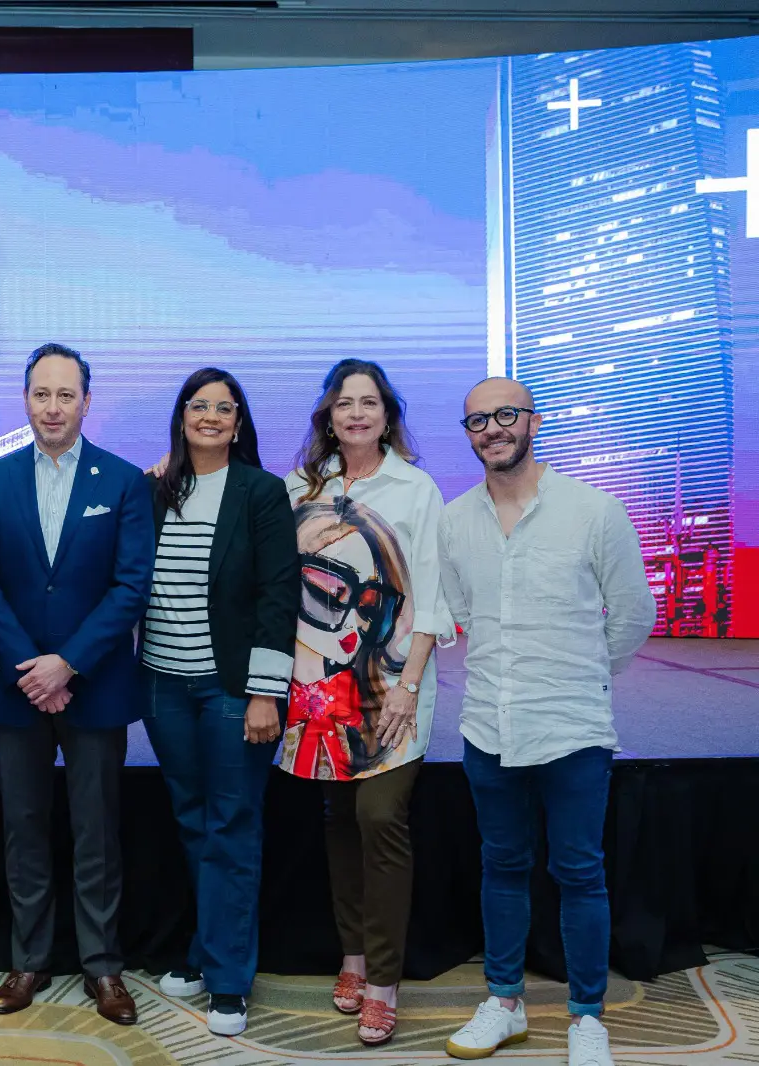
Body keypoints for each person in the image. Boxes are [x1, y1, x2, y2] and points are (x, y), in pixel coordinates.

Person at [439, 378, 654, 1066]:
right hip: (487, 728)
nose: (492, 429)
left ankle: (587, 1016)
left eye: (505, 415)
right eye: (478, 420)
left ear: (533, 421)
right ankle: (504, 1003)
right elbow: (453, 609)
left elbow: (633, 617)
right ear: (469, 432)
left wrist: (582, 676)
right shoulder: (454, 520)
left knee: (580, 873)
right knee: (501, 865)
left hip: (573, 730)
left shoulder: (594, 512)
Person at [0, 343, 154, 1027]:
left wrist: (66, 664)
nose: (52, 407)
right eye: (41, 394)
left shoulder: (123, 482)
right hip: (15, 687)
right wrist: (32, 669)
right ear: (24, 400)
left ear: (86, 402)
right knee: (22, 828)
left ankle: (103, 967)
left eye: (65, 395)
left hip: (94, 685)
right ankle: (28, 960)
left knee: (97, 830)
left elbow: (131, 587)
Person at [281, 358, 449, 1047]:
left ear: (388, 413)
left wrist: (409, 684)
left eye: (369, 402)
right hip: (313, 689)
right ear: (328, 414)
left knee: (381, 818)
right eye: (344, 402)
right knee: (340, 819)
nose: (356, 413)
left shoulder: (415, 488)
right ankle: (350, 957)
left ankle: (383, 981)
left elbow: (434, 594)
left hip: (394, 689)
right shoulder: (299, 488)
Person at [140, 368, 299, 1038]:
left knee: (232, 829)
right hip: (162, 684)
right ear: (181, 417)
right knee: (193, 822)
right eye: (198, 406)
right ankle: (207, 953)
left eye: (223, 408)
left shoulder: (261, 493)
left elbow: (278, 595)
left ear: (239, 424)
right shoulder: (152, 490)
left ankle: (229, 981)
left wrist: (265, 691)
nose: (209, 416)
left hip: (232, 689)